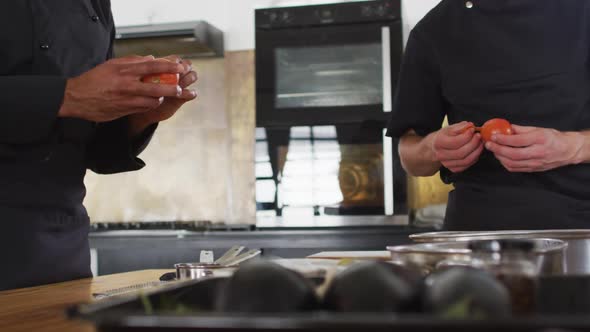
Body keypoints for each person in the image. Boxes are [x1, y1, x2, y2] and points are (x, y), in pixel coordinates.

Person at [0, 1, 198, 290]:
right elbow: (73, 98)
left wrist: (139, 117)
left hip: (63, 253)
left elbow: (95, 151)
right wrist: (68, 96)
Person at [387, 0, 590, 231]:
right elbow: (409, 157)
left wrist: (572, 147)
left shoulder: (582, 12)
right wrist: (433, 148)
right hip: (476, 232)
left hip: (579, 228)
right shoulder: (434, 30)